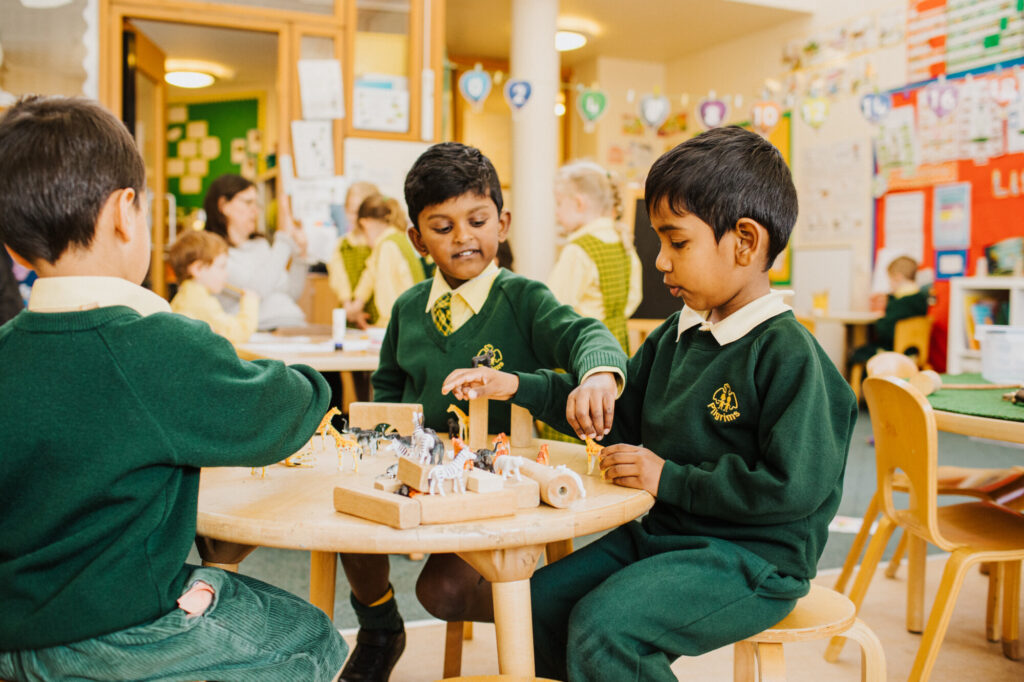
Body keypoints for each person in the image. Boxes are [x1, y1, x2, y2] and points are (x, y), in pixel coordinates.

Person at [444, 126, 857, 681]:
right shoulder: (676, 333)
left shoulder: (790, 355)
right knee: (536, 602)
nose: (660, 261)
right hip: (662, 533)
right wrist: (519, 386)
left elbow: (792, 489)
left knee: (607, 627)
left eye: (677, 242)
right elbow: (614, 417)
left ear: (745, 241)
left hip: (752, 559)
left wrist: (670, 479)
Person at [0, 95, 346, 682]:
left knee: (208, 578)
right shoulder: (158, 344)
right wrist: (317, 380)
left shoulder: (8, 345)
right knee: (310, 635)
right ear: (125, 212)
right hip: (116, 636)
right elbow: (286, 409)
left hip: (13, 630)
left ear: (12, 248)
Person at [334, 142, 628, 682]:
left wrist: (599, 373)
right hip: (415, 468)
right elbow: (386, 389)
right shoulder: (406, 309)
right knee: (346, 525)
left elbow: (587, 333)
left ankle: (545, 616)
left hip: (489, 481)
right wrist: (378, 445)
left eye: (476, 220)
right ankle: (378, 627)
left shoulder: (524, 298)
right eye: (442, 227)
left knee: (441, 592)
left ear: (502, 222)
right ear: (417, 239)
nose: (463, 237)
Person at [547, 160, 642, 350]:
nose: (556, 212)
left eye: (559, 203)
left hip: (585, 346)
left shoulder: (577, 250)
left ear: (579, 203)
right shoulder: (622, 241)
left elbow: (554, 308)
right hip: (617, 344)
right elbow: (634, 297)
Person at [203, 174, 308, 330]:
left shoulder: (261, 245)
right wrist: (284, 239)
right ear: (224, 206)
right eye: (248, 202)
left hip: (292, 327)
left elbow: (291, 294)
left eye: (256, 203)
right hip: (253, 333)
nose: (256, 210)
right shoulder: (213, 254)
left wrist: (301, 256)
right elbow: (255, 292)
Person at [343, 194, 426, 328]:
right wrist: (357, 304)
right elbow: (370, 272)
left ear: (365, 223)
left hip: (401, 325)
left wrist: (379, 328)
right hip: (412, 321)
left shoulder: (387, 247)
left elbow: (388, 298)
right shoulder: (397, 238)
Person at [168, 229, 259, 343]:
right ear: (197, 269)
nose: (226, 274)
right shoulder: (201, 302)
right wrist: (250, 302)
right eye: (221, 266)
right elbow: (240, 332)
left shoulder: (183, 297)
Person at [849, 255, 931, 365]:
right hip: (914, 353)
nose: (890, 284)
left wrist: (881, 319)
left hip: (892, 352)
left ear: (898, 277)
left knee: (859, 353)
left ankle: (860, 382)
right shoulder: (921, 299)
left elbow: (883, 332)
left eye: (890, 280)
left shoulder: (898, 304)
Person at [327, 180, 380, 309]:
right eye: (352, 212)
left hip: (375, 310)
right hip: (349, 310)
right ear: (345, 210)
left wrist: (359, 302)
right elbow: (338, 276)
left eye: (361, 212)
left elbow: (373, 273)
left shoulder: (380, 242)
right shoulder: (342, 244)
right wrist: (347, 303)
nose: (357, 218)